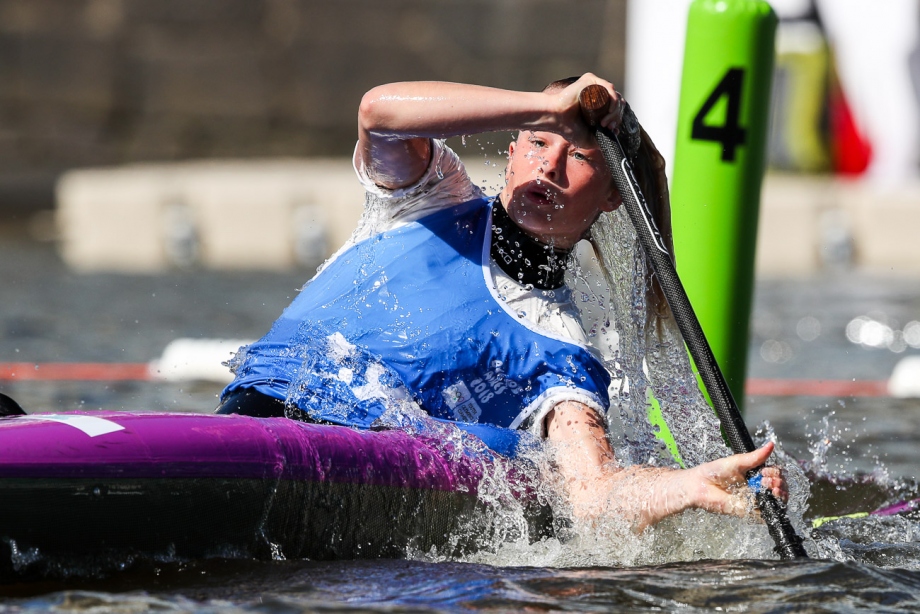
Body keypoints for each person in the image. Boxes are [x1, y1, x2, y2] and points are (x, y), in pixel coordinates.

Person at [217, 73, 787, 531]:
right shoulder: (428, 195)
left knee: (532, 463)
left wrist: (686, 485)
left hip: (342, 474)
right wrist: (543, 108)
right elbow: (378, 113)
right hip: (254, 411)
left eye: (581, 155)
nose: (549, 166)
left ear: (614, 195)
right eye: (538, 141)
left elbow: (593, 494)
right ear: (512, 149)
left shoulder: (562, 351)